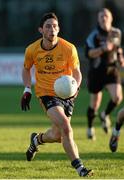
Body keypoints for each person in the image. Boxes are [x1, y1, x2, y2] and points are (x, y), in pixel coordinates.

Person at [20, 12, 93, 177]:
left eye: (55, 26)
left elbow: (77, 72)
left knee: (58, 135)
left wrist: (76, 88)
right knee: (67, 127)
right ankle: (80, 168)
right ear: (41, 30)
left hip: (66, 94)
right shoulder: (32, 50)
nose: (52, 29)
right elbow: (26, 69)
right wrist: (27, 89)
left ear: (58, 29)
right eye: (48, 26)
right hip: (46, 94)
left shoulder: (68, 48)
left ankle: (36, 140)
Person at [85, 8, 124, 140]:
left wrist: (120, 58)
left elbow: (118, 48)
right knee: (94, 104)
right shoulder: (93, 35)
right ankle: (90, 128)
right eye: (101, 16)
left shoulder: (116, 32)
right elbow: (88, 53)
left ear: (111, 18)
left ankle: (104, 115)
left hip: (112, 70)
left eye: (106, 15)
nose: (104, 18)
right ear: (98, 19)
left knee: (117, 97)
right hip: (96, 71)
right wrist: (102, 49)